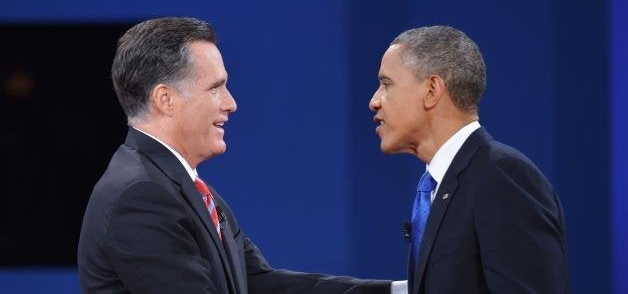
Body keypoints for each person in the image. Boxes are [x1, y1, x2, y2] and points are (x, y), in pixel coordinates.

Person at [78, 17, 402, 294]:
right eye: (215, 87)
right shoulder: (141, 195)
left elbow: (257, 283)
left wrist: (395, 291)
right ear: (166, 99)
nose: (230, 103)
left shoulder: (180, 187)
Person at [369, 26, 570, 294]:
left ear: (431, 90)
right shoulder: (441, 185)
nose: (374, 101)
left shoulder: (502, 175)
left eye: (386, 84)